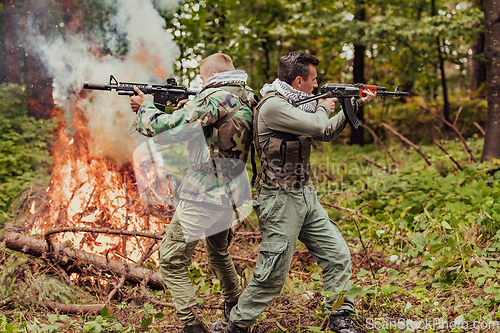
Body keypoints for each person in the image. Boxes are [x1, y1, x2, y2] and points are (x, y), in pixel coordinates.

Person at [217, 51, 375, 333]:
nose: (317, 86)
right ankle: (236, 325)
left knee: (337, 254)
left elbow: (324, 133)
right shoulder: (273, 107)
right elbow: (317, 124)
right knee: (272, 275)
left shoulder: (299, 104)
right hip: (279, 200)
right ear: (299, 80)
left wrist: (354, 105)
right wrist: (325, 106)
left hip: (304, 194)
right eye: (313, 80)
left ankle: (340, 316)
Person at [130, 53, 256, 333]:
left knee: (172, 258)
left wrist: (144, 108)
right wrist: (188, 108)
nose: (201, 84)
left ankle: (192, 326)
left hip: (204, 192)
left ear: (210, 77)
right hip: (233, 192)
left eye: (202, 79)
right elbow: (207, 130)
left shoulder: (214, 98)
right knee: (218, 254)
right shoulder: (245, 96)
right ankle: (237, 318)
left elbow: (165, 129)